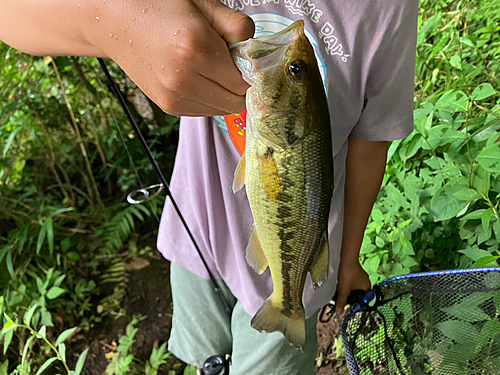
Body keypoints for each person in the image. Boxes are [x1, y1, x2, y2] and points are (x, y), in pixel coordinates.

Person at [0, 0, 419, 373]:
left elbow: (370, 144)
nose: (294, 46)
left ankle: (285, 307)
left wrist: (347, 259)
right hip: (196, 226)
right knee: (204, 357)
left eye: (295, 70)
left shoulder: (387, 9)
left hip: (299, 252)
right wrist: (113, 15)